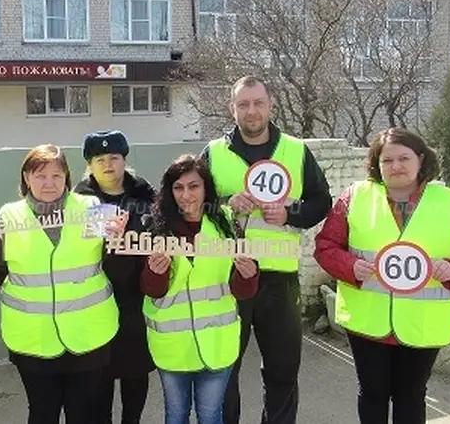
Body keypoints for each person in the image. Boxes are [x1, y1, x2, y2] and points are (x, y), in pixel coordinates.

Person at [0, 144, 129, 424]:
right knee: (43, 413)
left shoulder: (92, 208)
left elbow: (116, 272)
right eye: (40, 175)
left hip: (89, 336)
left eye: (57, 176)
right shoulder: (9, 216)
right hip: (33, 340)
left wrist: (117, 242)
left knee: (83, 415)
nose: (49, 183)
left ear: (67, 178)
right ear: (26, 178)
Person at [200, 75, 332, 424]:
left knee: (283, 371)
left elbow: (321, 202)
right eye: (243, 104)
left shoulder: (295, 150)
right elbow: (192, 206)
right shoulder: (214, 153)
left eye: (258, 102)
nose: (251, 111)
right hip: (228, 277)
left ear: (270, 105)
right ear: (232, 108)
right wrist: (227, 204)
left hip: (280, 278)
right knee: (225, 368)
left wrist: (291, 213)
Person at [313, 127, 450, 424]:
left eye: (404, 158)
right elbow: (325, 246)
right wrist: (350, 266)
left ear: (421, 160)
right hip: (367, 321)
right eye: (387, 160)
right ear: (376, 164)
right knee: (372, 393)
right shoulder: (354, 197)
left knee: (411, 396)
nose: (396, 166)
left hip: (422, 324)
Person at [140, 154, 259, 424]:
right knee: (176, 414)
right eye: (178, 187)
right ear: (169, 191)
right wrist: (155, 273)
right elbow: (150, 289)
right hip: (172, 344)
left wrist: (248, 276)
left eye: (193, 186)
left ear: (206, 188)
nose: (186, 195)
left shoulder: (227, 222)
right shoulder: (156, 226)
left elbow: (243, 290)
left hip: (217, 342)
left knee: (210, 415)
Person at [73, 130, 156, 424]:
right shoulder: (79, 204)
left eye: (114, 158)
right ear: (90, 165)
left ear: (124, 161)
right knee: (99, 392)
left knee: (135, 382)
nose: (108, 165)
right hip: (96, 304)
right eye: (99, 159)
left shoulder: (146, 198)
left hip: (136, 304)